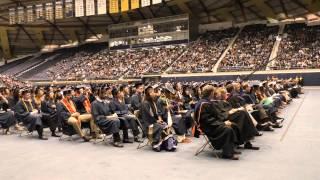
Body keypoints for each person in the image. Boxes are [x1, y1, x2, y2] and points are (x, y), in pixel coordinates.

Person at [194, 85, 239, 160]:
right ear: (211, 93)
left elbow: (214, 117)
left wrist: (224, 121)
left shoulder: (207, 102)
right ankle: (227, 154)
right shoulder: (203, 104)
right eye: (213, 92)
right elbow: (207, 120)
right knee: (228, 129)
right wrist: (223, 123)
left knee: (233, 125)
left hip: (212, 124)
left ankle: (231, 149)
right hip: (207, 127)